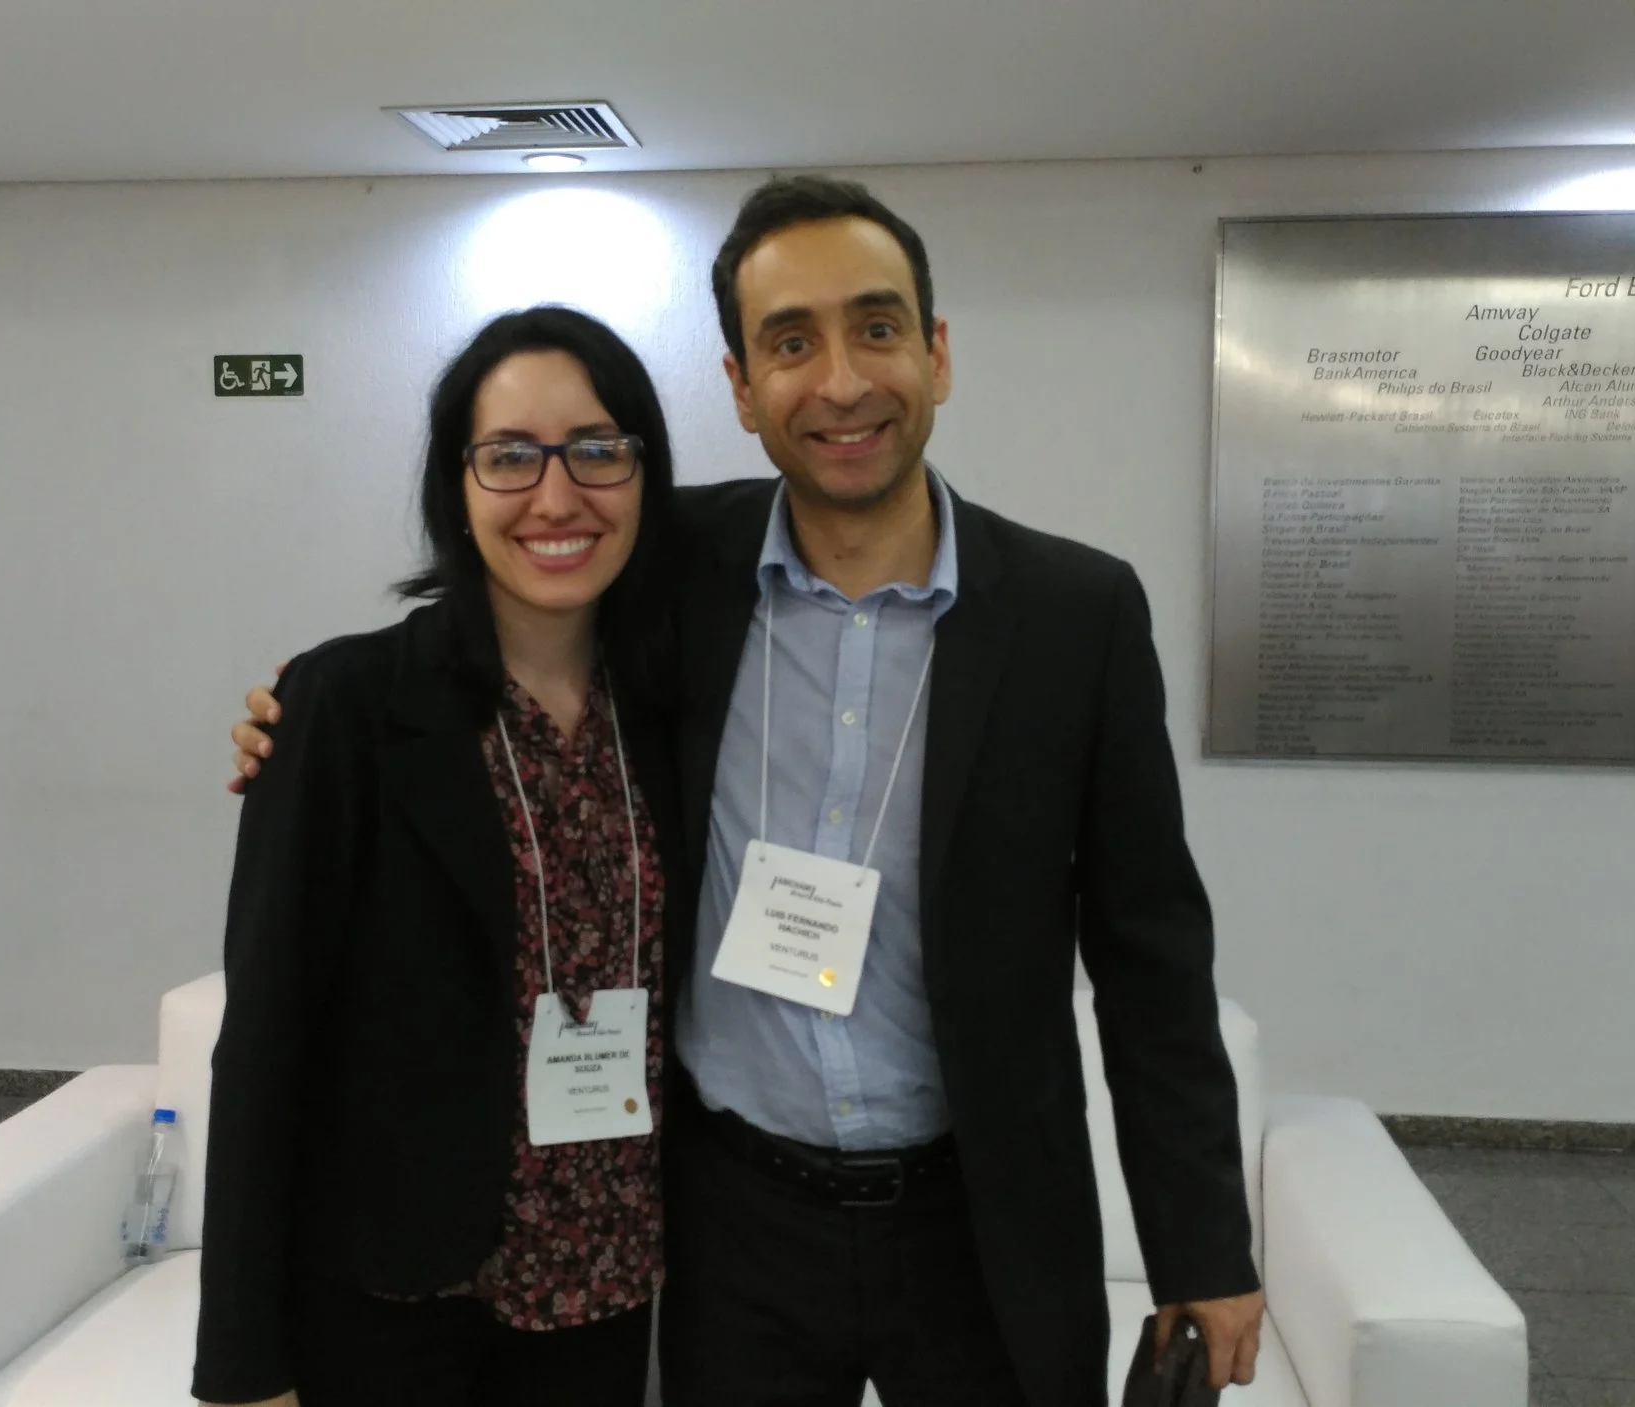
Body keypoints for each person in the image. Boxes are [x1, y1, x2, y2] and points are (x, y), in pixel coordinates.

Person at [229, 176, 1264, 1407]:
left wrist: (1200, 1244)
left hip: (980, 1214)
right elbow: (508, 584)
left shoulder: (1074, 616)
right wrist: (300, 710)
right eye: (789, 342)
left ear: (936, 354)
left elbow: (1150, 953)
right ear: (739, 387)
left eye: (876, 328)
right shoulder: (674, 567)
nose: (837, 381)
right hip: (732, 1223)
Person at [193, 306, 684, 1407]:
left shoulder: (667, 707)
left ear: (645, 474)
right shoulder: (345, 704)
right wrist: (240, 1363)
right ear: (454, 489)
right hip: (393, 1296)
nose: (556, 497)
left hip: (602, 1287)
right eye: (509, 456)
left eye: (598, 450)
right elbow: (265, 1038)